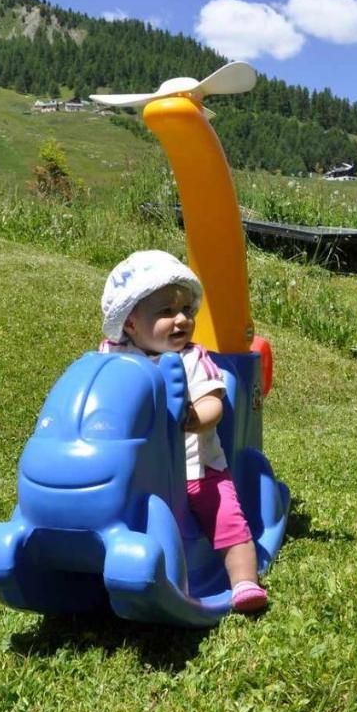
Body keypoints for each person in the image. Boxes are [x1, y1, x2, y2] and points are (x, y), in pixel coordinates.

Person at [100, 250, 268, 614]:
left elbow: (215, 404)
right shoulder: (116, 355)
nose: (182, 320)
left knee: (225, 515)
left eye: (187, 311)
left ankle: (244, 581)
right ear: (130, 323)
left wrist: (193, 417)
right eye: (165, 312)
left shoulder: (194, 358)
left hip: (197, 468)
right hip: (137, 472)